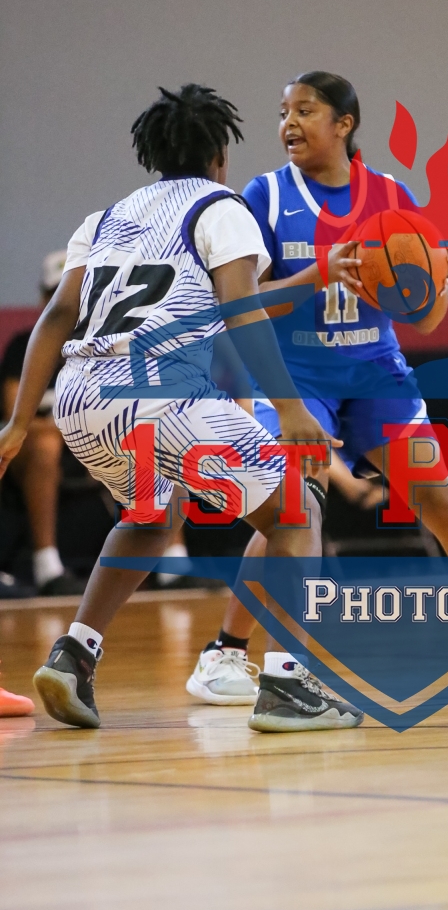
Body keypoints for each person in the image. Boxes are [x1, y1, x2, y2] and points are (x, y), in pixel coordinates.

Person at [186, 72, 448, 709]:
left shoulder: (391, 196)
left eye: (305, 110)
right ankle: (226, 653)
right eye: (284, 112)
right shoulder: (265, 196)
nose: (289, 123)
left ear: (345, 123)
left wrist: (435, 282)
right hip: (296, 377)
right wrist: (316, 274)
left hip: (373, 371)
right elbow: (244, 303)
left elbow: (426, 321)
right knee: (292, 510)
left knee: (444, 503)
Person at [0, 82, 361, 731]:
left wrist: (19, 422)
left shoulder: (104, 218)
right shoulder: (222, 207)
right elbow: (242, 311)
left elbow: (55, 317)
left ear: (154, 155)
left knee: (152, 514)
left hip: (81, 399)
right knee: (296, 510)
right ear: (220, 155)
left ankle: (74, 655)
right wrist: (291, 409)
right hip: (159, 394)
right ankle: (288, 683)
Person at [0, 251, 84, 595]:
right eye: (55, 294)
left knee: (155, 435)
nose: (65, 302)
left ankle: (170, 562)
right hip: (39, 446)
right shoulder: (23, 347)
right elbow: (14, 416)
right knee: (46, 444)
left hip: (91, 442)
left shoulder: (101, 346)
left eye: (74, 293)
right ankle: (47, 567)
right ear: (43, 298)